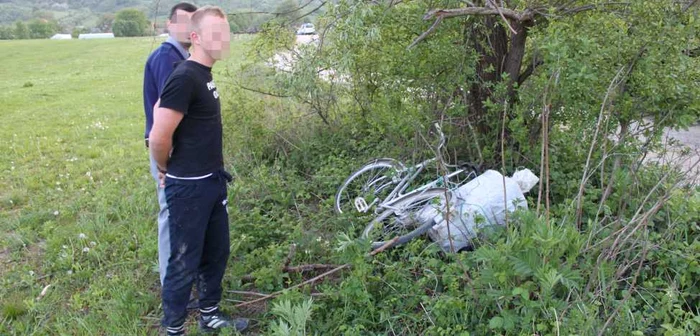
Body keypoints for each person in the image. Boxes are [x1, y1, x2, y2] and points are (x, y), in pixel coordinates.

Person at [149, 6, 247, 335]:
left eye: (226, 32)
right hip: (188, 187)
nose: (224, 39)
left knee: (216, 253)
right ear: (196, 37)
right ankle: (173, 329)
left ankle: (210, 315)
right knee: (183, 262)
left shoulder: (204, 74)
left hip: (212, 182)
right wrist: (165, 169)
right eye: (216, 33)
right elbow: (159, 136)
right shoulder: (185, 76)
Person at [142, 2, 197, 288]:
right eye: (183, 22)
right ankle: (172, 283)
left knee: (179, 213)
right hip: (169, 150)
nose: (189, 28)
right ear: (169, 24)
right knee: (171, 213)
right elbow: (165, 117)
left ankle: (182, 276)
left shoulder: (181, 56)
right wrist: (166, 162)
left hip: (174, 150)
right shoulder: (168, 58)